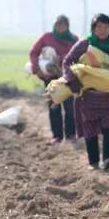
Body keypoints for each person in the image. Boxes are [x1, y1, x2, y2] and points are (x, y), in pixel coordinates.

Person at [62, 13, 109, 171]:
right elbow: (67, 62)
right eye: (99, 27)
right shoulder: (84, 44)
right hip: (89, 96)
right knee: (90, 128)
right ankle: (94, 162)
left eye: (106, 27)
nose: (103, 30)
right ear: (93, 29)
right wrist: (72, 80)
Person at [29, 14, 78, 143]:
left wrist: (62, 58)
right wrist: (37, 69)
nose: (60, 27)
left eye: (63, 25)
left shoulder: (73, 40)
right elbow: (34, 52)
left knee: (70, 107)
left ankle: (71, 134)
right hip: (50, 78)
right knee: (54, 106)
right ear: (54, 25)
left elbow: (78, 56)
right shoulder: (46, 38)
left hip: (67, 78)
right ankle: (57, 136)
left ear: (67, 26)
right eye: (58, 25)